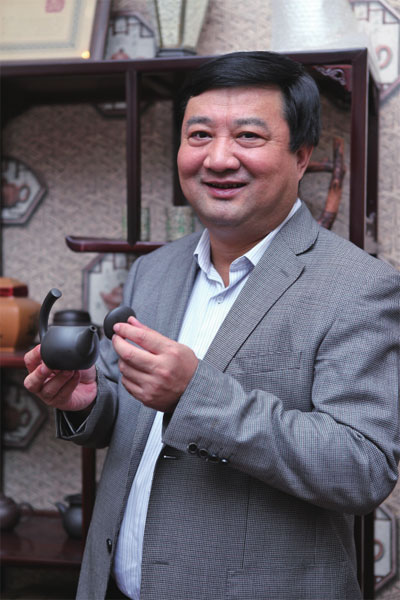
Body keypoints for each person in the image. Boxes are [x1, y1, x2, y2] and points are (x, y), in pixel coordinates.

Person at [24, 51, 400, 600]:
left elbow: (362, 469)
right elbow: (127, 415)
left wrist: (194, 394)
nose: (218, 159)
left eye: (248, 136)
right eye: (199, 135)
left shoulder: (359, 286)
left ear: (301, 156)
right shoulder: (154, 269)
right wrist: (87, 402)